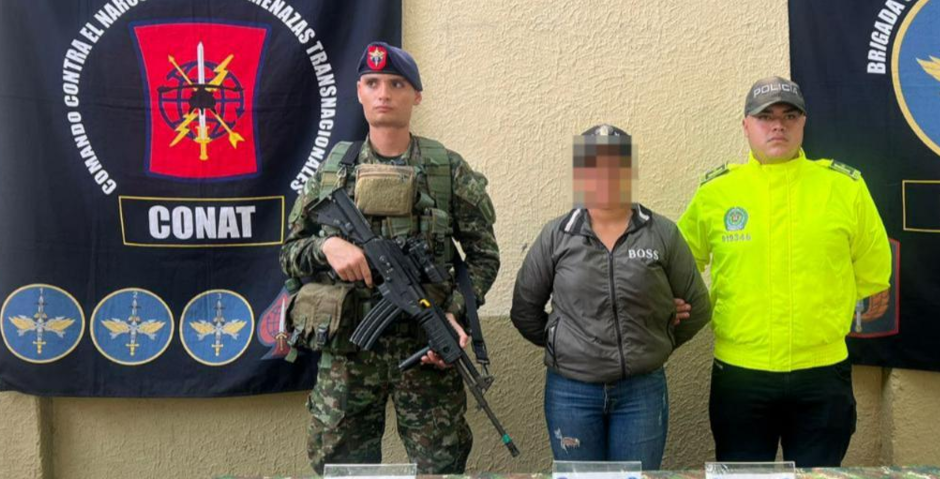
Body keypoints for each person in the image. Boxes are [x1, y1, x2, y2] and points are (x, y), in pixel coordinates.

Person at [280, 42, 500, 475]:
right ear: (359, 92)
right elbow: (289, 253)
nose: (384, 93)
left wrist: (452, 314)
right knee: (341, 469)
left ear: (416, 96)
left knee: (441, 467)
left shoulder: (446, 169)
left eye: (397, 84)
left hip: (426, 351)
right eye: (373, 83)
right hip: (347, 354)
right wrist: (326, 248)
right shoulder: (332, 172)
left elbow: (483, 256)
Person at [677, 76, 891, 468]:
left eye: (789, 116)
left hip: (821, 373)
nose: (778, 125)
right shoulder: (715, 194)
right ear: (746, 125)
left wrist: (849, 299)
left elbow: (873, 265)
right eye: (766, 116)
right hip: (741, 373)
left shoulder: (844, 187)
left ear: (803, 122)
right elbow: (681, 262)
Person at [510, 124, 712, 470]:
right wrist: (564, 344)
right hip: (571, 393)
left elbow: (698, 307)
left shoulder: (662, 233)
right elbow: (525, 310)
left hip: (641, 392)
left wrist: (656, 340)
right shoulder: (557, 236)